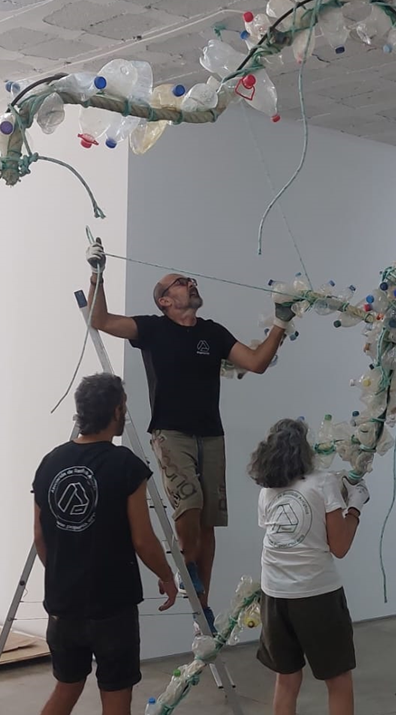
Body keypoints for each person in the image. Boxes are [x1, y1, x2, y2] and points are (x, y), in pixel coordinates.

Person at [85, 238, 294, 630]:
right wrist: (97, 275)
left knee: (208, 524)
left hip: (211, 435)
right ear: (165, 300)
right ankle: (185, 564)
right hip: (171, 433)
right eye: (181, 282)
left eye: (190, 280)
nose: (190, 283)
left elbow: (256, 363)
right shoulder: (152, 328)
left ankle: (202, 605)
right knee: (190, 504)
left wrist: (281, 323)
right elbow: (102, 320)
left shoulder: (212, 333)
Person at [7, 373, 179, 715]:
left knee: (64, 689)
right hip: (112, 605)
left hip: (63, 606)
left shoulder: (50, 463)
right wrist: (166, 575)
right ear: (117, 410)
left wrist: (67, 573)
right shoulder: (125, 465)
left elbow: (41, 538)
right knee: (115, 701)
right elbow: (142, 538)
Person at [247, 418, 372, 715]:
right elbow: (340, 545)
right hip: (317, 595)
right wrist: (356, 505)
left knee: (286, 683)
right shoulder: (323, 484)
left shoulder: (267, 491)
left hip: (274, 596)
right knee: (338, 682)